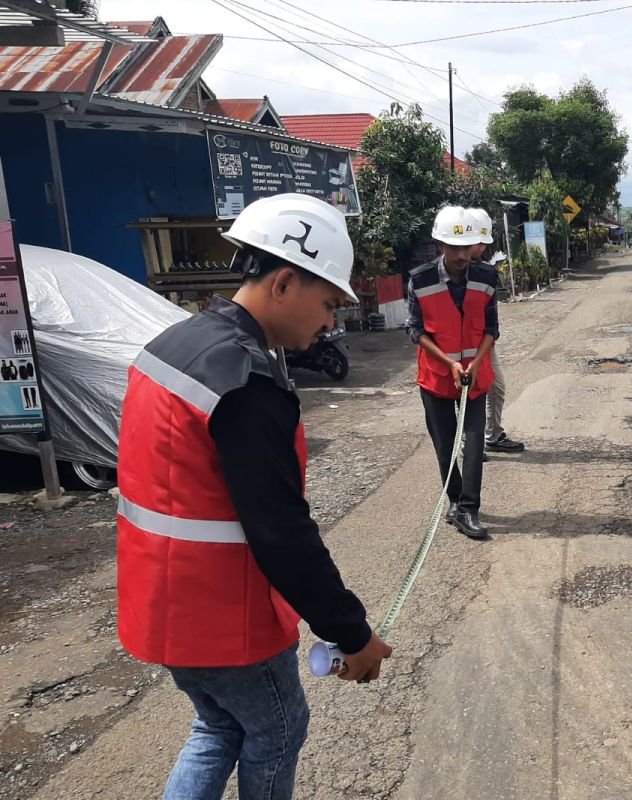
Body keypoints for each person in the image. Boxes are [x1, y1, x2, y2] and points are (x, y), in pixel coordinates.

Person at [115, 193, 392, 800]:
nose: (329, 323)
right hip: (223, 614)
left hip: (159, 602)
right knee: (277, 729)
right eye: (327, 303)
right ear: (285, 281)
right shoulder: (246, 381)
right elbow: (282, 532)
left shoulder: (177, 342)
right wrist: (353, 635)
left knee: (219, 724)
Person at [408, 206, 499, 540]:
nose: (462, 254)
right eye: (455, 247)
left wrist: (474, 363)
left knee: (474, 440)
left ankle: (469, 508)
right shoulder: (420, 280)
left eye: (467, 247)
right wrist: (449, 363)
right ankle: (456, 502)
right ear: (440, 245)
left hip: (475, 375)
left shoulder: (488, 278)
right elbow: (415, 330)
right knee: (445, 445)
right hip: (436, 376)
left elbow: (492, 328)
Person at [464, 208, 525, 456]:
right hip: (465, 340)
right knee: (470, 392)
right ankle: (470, 442)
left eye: (483, 243)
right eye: (478, 242)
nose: (480, 247)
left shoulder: (483, 268)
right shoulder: (458, 271)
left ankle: (492, 435)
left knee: (494, 387)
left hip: (484, 339)